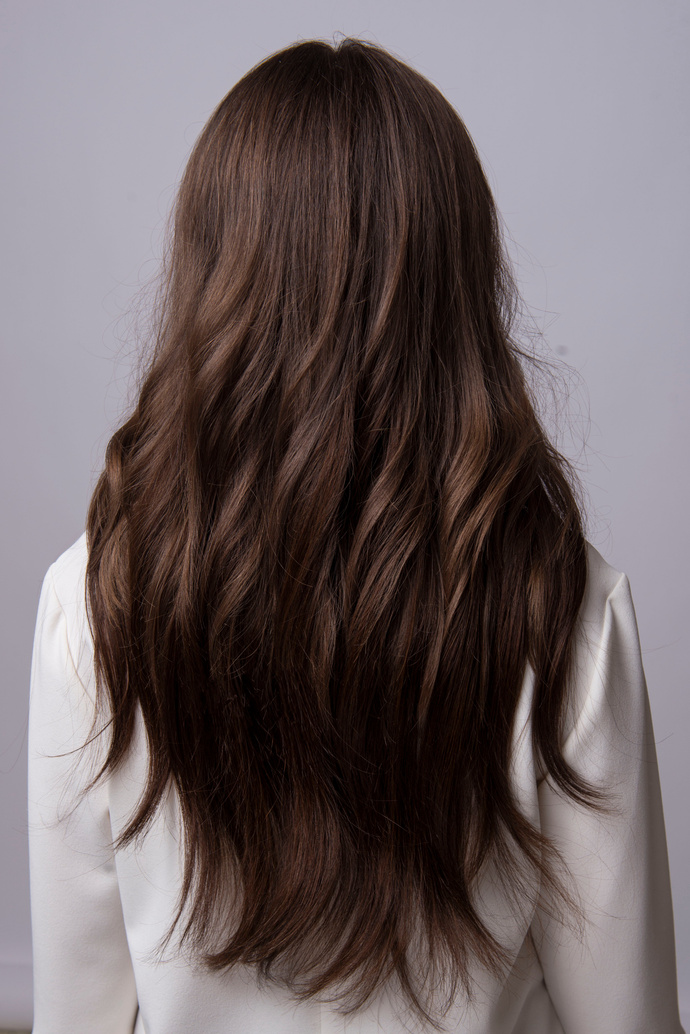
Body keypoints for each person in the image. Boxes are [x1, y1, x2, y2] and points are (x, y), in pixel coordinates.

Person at [27, 36, 684, 1034]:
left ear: (214, 278)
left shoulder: (92, 604)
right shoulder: (564, 608)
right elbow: (627, 1021)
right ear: (457, 289)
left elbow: (82, 1016)